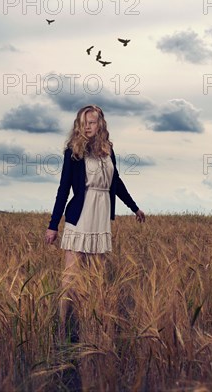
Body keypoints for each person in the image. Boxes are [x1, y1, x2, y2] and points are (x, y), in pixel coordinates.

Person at [44, 104, 145, 341]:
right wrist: (52, 225)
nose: (88, 126)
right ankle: (62, 328)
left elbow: (116, 183)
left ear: (101, 123)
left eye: (92, 122)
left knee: (96, 277)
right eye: (84, 122)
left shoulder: (108, 150)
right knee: (70, 278)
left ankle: (90, 325)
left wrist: (134, 207)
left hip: (101, 218)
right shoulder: (73, 151)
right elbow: (63, 190)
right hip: (80, 216)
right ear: (79, 124)